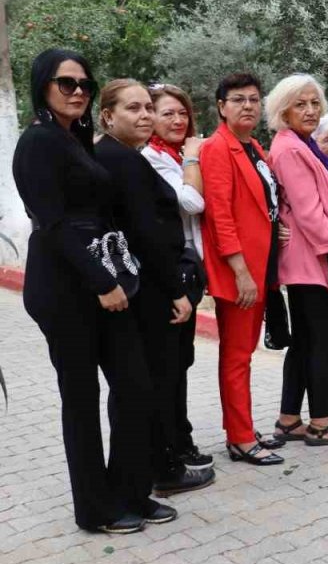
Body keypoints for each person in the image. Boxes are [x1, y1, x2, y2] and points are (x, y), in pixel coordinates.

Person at [15, 49, 163, 533]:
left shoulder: (73, 138)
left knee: (134, 386)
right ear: (43, 86)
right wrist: (103, 282)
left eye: (84, 84)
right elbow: (53, 223)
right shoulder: (38, 142)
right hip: (65, 286)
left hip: (101, 279)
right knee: (81, 399)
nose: (77, 91)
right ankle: (95, 510)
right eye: (66, 83)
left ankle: (129, 492)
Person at [96, 79, 210, 500]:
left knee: (157, 380)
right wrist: (175, 290)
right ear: (107, 116)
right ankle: (161, 471)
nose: (144, 115)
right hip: (149, 289)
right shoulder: (124, 160)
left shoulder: (121, 155)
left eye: (147, 107)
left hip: (145, 284)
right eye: (134, 108)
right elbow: (147, 233)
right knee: (154, 382)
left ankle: (159, 466)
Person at [264, 74, 328, 448]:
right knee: (321, 342)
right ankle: (321, 422)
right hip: (311, 262)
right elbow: (310, 216)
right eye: (300, 104)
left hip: (309, 260)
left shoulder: (300, 144)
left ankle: (289, 419)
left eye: (314, 103)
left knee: (306, 342)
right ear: (283, 110)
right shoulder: (291, 149)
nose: (310, 110)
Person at [199, 72, 288, 466]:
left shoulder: (253, 147)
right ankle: (239, 438)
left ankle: (244, 428)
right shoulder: (218, 148)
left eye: (253, 99)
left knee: (244, 354)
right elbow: (219, 215)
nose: (248, 106)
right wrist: (240, 271)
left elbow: (262, 202)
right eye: (238, 99)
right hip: (241, 271)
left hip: (261, 265)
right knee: (236, 356)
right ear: (222, 107)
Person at [140, 83, 217, 479]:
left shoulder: (173, 156)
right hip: (168, 272)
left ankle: (180, 440)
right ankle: (171, 448)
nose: (177, 120)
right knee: (168, 365)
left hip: (190, 270)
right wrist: (191, 158)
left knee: (181, 361)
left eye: (182, 113)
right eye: (167, 113)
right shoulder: (151, 159)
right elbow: (192, 202)